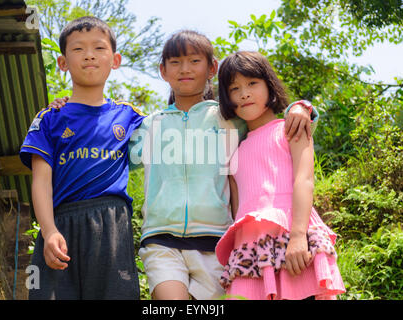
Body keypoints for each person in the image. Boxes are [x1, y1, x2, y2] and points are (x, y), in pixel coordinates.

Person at [49, 30, 318, 300]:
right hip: (160, 240)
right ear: (163, 71)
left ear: (212, 68)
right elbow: (101, 139)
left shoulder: (230, 120)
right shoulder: (147, 125)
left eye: (194, 61)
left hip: (216, 242)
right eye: (175, 63)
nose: (185, 69)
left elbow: (272, 126)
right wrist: (68, 107)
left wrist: (302, 107)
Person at [19, 16, 145, 300]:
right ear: (63, 63)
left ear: (115, 60)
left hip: (113, 225)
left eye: (99, 48)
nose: (89, 55)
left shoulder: (131, 116)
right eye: (78, 49)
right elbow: (41, 181)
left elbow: (173, 132)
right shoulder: (49, 118)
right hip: (61, 224)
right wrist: (49, 230)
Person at [215, 51, 345, 300]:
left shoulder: (291, 128)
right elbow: (236, 209)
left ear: (269, 85)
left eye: (252, 83)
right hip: (252, 253)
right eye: (234, 88)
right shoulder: (233, 154)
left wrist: (298, 237)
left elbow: (304, 180)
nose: (244, 93)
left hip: (293, 238)